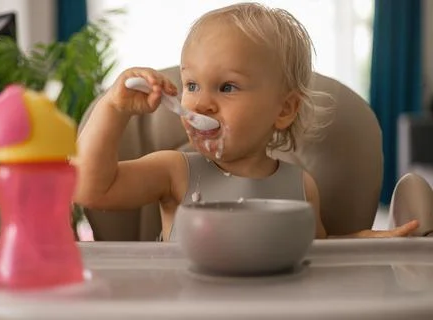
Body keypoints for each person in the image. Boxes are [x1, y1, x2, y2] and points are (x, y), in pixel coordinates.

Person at [74, 2, 419, 241]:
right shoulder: (174, 173)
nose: (201, 102)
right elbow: (91, 189)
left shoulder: (301, 187)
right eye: (191, 85)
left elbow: (318, 252)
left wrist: (369, 241)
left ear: (283, 109)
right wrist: (113, 109)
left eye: (227, 87)